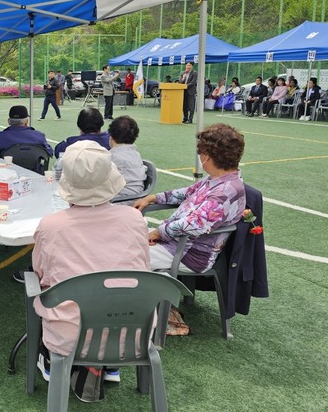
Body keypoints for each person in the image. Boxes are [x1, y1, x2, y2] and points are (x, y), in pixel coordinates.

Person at [32, 140, 149, 393]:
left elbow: (41, 275)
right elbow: (142, 268)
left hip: (70, 337)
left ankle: (53, 364)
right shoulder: (135, 219)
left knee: (45, 293)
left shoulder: (51, 226)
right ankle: (109, 366)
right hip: (132, 331)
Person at [134, 123, 246, 274]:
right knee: (124, 239)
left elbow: (195, 224)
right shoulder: (218, 180)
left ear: (207, 156)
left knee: (124, 255)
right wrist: (154, 198)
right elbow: (188, 192)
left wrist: (158, 233)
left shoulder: (225, 192)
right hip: (176, 243)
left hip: (186, 254)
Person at [108, 116, 146, 199]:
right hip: (138, 198)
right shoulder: (136, 155)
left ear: (111, 136)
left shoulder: (111, 157)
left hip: (117, 200)